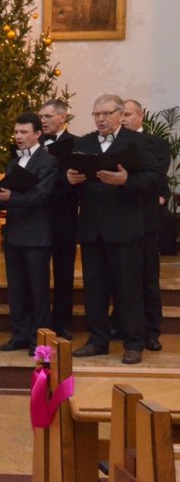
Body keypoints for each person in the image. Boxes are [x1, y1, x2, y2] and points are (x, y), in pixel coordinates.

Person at [66, 94, 160, 365]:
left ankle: (133, 343)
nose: (101, 119)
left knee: (129, 289)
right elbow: (67, 180)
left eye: (106, 113)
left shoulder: (137, 142)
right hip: (92, 229)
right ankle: (98, 340)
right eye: (96, 114)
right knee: (94, 288)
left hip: (125, 228)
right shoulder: (83, 143)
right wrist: (69, 178)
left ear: (120, 115)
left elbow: (154, 179)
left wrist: (126, 179)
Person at [0, 113, 58, 355]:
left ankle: (40, 338)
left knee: (38, 290)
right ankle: (20, 335)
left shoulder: (48, 162)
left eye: (24, 132)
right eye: (16, 132)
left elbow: (42, 196)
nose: (18, 136)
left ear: (38, 134)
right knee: (16, 289)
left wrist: (11, 197)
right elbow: (9, 196)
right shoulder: (13, 163)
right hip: (15, 234)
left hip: (37, 235)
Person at [120, 99, 170, 352]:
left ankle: (151, 330)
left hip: (146, 219)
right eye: (121, 114)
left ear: (140, 115)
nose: (123, 119)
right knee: (122, 277)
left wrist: (126, 179)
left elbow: (156, 177)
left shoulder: (156, 143)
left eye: (128, 114)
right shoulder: (114, 143)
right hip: (119, 220)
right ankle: (122, 324)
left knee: (148, 277)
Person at [38, 99, 79, 340]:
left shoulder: (76, 144)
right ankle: (41, 322)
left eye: (48, 116)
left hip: (64, 217)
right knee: (38, 273)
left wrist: (66, 180)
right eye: (41, 117)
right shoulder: (35, 143)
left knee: (64, 273)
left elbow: (78, 181)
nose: (43, 121)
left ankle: (63, 322)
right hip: (39, 217)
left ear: (62, 117)